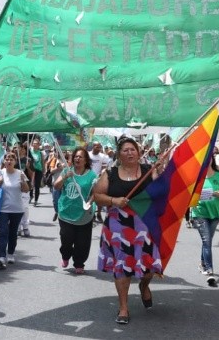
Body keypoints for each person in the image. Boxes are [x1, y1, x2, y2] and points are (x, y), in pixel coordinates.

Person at [94, 136, 163, 325]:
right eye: (125, 150)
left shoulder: (149, 170)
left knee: (148, 268)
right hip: (118, 227)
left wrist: (159, 173)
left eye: (133, 149)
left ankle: (144, 286)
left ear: (139, 153)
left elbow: (160, 193)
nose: (130, 152)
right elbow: (97, 195)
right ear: (119, 154)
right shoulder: (110, 173)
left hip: (145, 225)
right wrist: (113, 200)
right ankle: (123, 307)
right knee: (122, 267)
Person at [53, 146, 96, 274]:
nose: (77, 158)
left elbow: (95, 193)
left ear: (86, 160)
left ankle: (79, 263)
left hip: (84, 214)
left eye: (80, 157)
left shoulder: (92, 175)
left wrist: (89, 202)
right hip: (66, 212)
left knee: (82, 242)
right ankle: (66, 256)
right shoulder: (67, 171)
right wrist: (65, 177)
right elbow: (56, 186)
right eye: (76, 156)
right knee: (66, 239)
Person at [191, 156, 219, 286]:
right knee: (207, 241)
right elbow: (188, 194)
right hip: (199, 213)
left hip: (215, 214)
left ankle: (203, 263)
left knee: (207, 241)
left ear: (212, 160)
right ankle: (210, 271)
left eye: (209, 158)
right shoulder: (196, 177)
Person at [0, 151, 30, 269]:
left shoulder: (20, 173)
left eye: (11, 159)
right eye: (7, 159)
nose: (9, 161)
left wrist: (23, 181)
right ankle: (1, 257)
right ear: (4, 161)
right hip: (2, 209)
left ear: (15, 162)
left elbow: (26, 189)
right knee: (3, 232)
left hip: (17, 209)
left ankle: (11, 253)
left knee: (13, 233)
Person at [88, 141, 111, 223]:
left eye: (100, 147)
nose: (98, 148)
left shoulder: (103, 156)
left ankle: (99, 213)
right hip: (89, 179)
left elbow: (104, 167)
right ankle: (92, 214)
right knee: (90, 197)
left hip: (98, 179)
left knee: (99, 197)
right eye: (97, 147)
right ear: (93, 146)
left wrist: (101, 174)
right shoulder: (88, 155)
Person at [17, 143, 34, 237]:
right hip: (15, 186)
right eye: (15, 147)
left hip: (25, 186)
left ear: (23, 149)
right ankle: (18, 227)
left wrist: (28, 167)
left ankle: (25, 226)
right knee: (16, 207)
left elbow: (32, 174)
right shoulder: (12, 159)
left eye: (18, 148)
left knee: (24, 207)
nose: (16, 149)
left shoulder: (28, 160)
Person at [49, 150, 70, 222]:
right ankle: (57, 211)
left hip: (66, 184)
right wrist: (59, 168)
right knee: (55, 200)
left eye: (63, 151)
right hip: (56, 183)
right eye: (58, 151)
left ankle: (62, 215)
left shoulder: (69, 161)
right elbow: (51, 171)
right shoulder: (54, 160)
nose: (61, 153)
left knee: (65, 200)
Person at [29, 138, 44, 206]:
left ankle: (36, 200)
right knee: (30, 184)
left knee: (37, 185)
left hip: (38, 170)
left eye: (36, 144)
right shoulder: (30, 151)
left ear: (39, 145)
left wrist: (44, 171)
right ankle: (30, 195)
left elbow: (42, 162)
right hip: (31, 170)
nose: (35, 145)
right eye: (34, 143)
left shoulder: (40, 153)